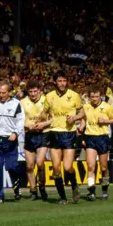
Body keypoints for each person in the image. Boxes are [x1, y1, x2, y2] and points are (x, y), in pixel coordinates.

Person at [41, 71, 83, 205]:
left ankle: (74, 185)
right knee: (56, 168)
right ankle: (62, 197)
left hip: (68, 133)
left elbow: (82, 112)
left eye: (64, 80)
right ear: (55, 82)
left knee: (67, 167)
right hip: (53, 133)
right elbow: (45, 112)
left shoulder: (74, 95)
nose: (62, 83)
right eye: (60, 81)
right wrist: (42, 119)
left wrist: (75, 118)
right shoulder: (49, 96)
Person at [70, 85, 113, 201]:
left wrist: (105, 121)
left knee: (103, 167)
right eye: (92, 97)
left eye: (96, 96)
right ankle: (91, 191)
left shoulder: (107, 107)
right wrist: (81, 127)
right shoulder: (85, 107)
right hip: (90, 137)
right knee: (91, 166)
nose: (94, 99)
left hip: (102, 138)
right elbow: (83, 120)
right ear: (89, 96)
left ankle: (105, 190)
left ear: (100, 96)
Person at [20, 80, 51, 201]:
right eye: (30, 91)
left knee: (40, 163)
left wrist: (43, 124)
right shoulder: (22, 103)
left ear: (39, 90)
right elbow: (18, 121)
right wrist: (27, 125)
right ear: (28, 91)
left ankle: (42, 186)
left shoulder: (46, 100)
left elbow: (53, 119)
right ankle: (33, 190)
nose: (33, 94)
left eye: (35, 91)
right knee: (29, 166)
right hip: (29, 135)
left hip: (43, 134)